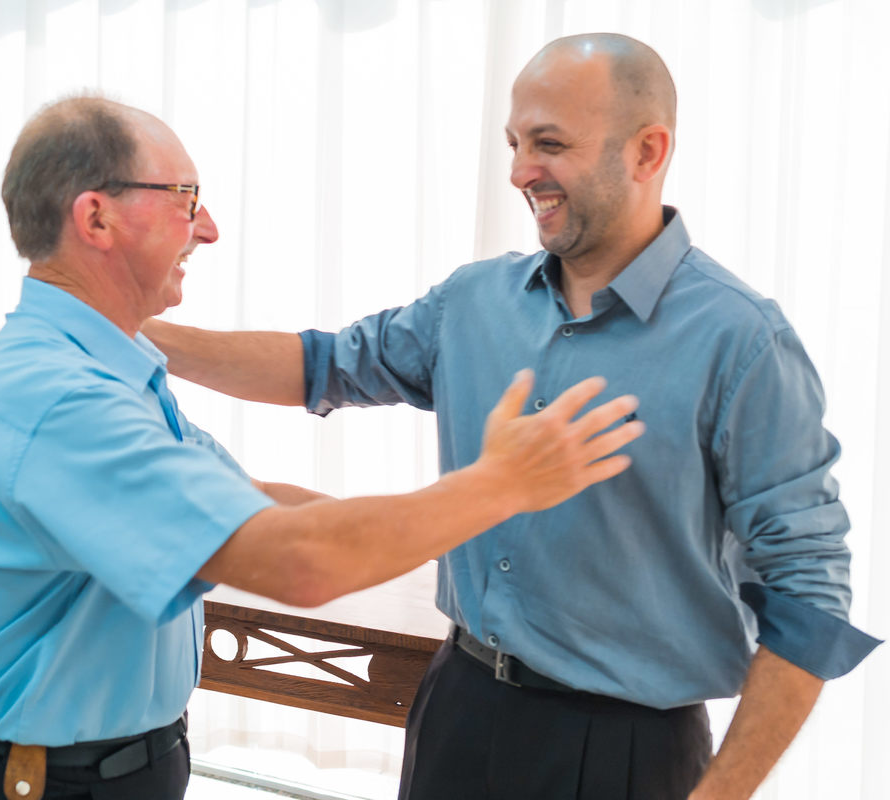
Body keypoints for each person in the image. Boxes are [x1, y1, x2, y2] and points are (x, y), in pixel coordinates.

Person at [142, 33, 882, 800]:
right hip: (458, 707)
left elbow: (809, 599)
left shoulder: (743, 342)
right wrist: (135, 333)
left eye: (550, 144)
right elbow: (324, 364)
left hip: (627, 752)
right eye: (516, 143)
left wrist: (721, 795)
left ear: (647, 150)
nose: (521, 172)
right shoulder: (472, 301)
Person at [0, 95, 643, 800]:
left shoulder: (106, 366)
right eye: (184, 197)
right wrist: (501, 484)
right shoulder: (60, 398)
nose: (208, 228)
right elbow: (296, 560)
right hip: (43, 781)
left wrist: (456, 535)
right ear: (96, 217)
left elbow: (255, 501)